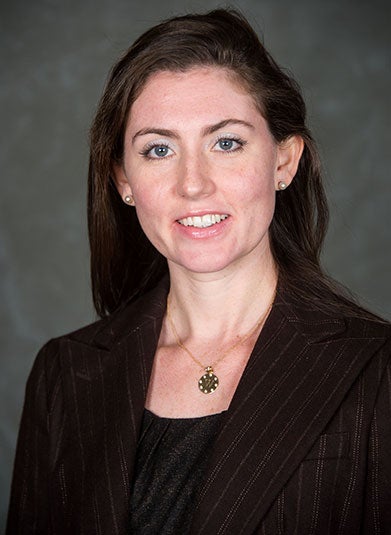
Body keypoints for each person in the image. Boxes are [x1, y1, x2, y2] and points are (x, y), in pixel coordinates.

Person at [6, 8, 391, 535]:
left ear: (284, 161)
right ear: (123, 179)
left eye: (226, 142)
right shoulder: (63, 375)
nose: (193, 184)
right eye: (159, 149)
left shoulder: (379, 373)